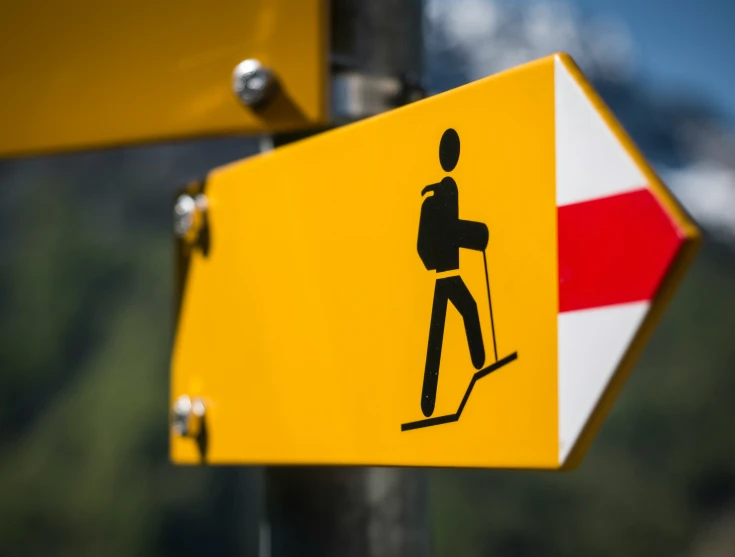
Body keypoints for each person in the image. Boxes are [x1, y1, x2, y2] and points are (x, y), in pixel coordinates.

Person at [416, 128, 489, 418]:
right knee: (439, 332)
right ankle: (428, 402)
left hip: (452, 271)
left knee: (461, 315)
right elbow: (425, 242)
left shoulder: (448, 192)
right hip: (442, 275)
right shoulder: (433, 200)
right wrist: (470, 236)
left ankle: (480, 364)